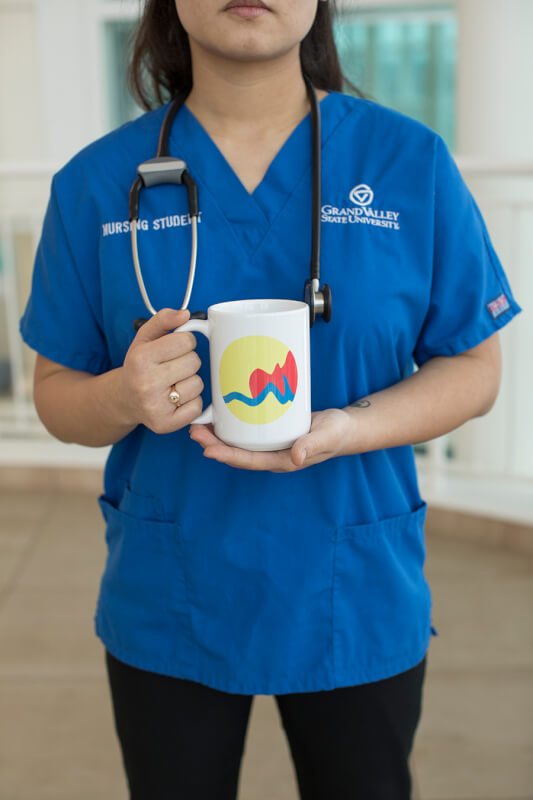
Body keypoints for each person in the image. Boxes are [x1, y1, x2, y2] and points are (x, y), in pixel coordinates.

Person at [20, 1, 521, 798]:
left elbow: (473, 368)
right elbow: (55, 393)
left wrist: (348, 428)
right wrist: (124, 395)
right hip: (170, 587)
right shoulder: (96, 184)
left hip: (351, 584)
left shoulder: (406, 163)